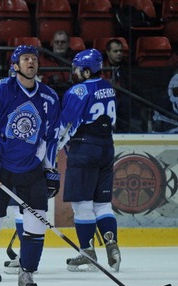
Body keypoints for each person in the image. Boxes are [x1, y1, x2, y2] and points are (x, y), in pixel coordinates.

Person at [0, 46, 61, 286]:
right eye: (25, 59)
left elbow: (51, 137)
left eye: (34, 59)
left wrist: (51, 168)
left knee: (36, 224)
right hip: (0, 167)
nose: (31, 62)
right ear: (15, 65)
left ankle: (27, 272)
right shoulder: (1, 89)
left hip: (31, 170)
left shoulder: (50, 97)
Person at [59, 49, 121, 273]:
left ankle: (87, 252)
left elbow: (66, 126)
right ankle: (112, 246)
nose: (74, 72)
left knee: (82, 205)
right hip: (107, 147)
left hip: (85, 148)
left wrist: (49, 150)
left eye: (77, 68)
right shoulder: (108, 86)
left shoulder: (78, 90)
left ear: (86, 71)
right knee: (102, 204)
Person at [38, 30, 76, 99]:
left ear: (68, 44)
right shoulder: (41, 59)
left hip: (72, 95)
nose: (59, 44)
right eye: (57, 42)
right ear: (52, 43)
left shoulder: (76, 59)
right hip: (48, 95)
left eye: (63, 42)